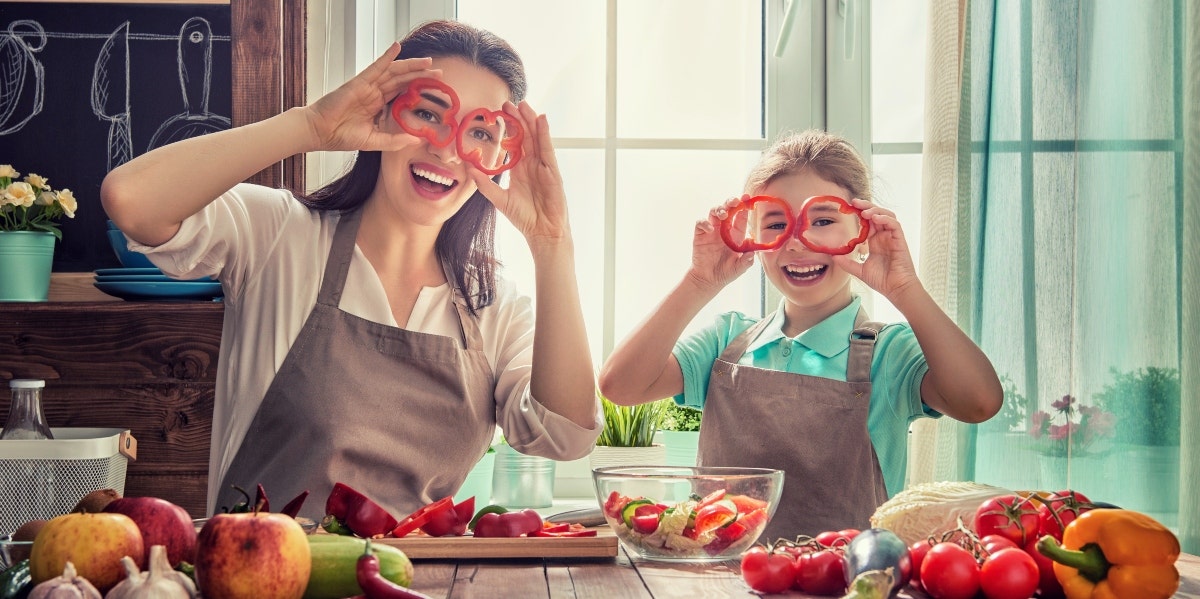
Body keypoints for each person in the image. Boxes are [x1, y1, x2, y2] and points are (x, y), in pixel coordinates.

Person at [101, 20, 602, 520]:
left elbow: (566, 435)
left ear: (499, 156)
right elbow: (131, 201)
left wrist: (552, 244)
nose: (446, 150)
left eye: (479, 132)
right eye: (428, 113)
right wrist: (310, 126)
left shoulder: (493, 304)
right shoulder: (279, 236)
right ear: (385, 111)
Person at [598, 130, 1002, 541]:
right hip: (721, 584)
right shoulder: (727, 342)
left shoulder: (888, 352)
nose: (795, 242)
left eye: (823, 221)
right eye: (776, 224)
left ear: (861, 229)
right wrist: (699, 280)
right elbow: (620, 385)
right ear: (753, 239)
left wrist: (904, 289)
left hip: (845, 584)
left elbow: (980, 402)